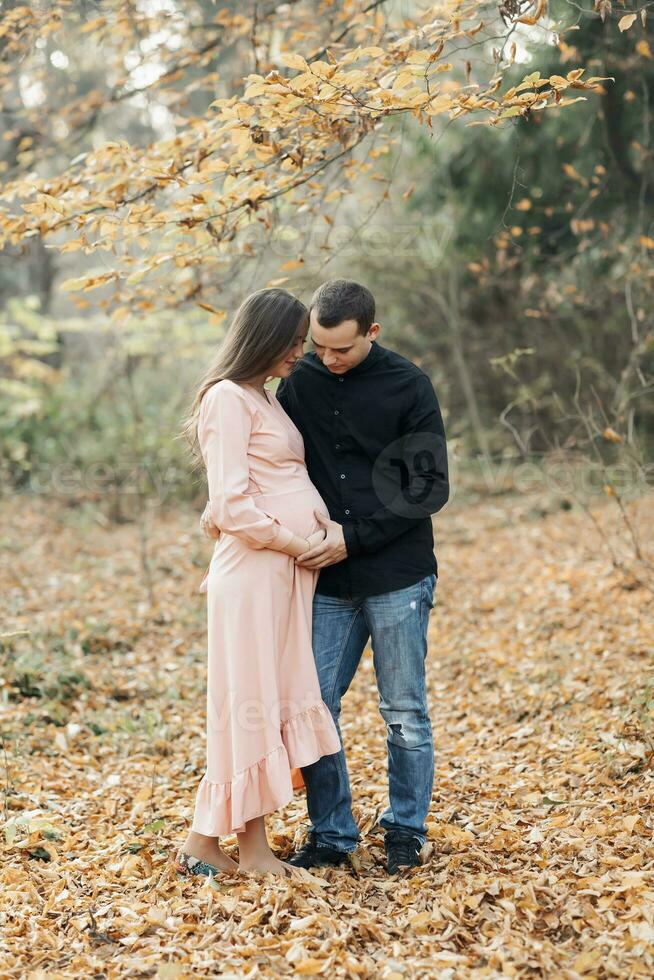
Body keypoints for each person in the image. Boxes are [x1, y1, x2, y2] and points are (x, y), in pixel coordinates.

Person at [203, 278, 450, 875]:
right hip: (321, 583)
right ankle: (333, 834)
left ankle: (404, 831)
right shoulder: (295, 382)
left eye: (343, 348)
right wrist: (229, 514)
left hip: (395, 574)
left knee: (405, 710)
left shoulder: (408, 385)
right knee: (314, 705)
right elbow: (258, 460)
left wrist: (353, 536)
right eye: (318, 347)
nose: (327, 359)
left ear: (373, 331)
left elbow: (428, 489)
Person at [177, 287, 342, 880]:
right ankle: (250, 850)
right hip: (255, 574)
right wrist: (301, 542)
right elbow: (232, 503)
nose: (299, 352)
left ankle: (212, 842)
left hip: (283, 577)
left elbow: (274, 479)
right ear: (266, 339)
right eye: (294, 341)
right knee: (248, 703)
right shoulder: (227, 397)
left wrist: (320, 530)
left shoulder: (262, 397)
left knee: (265, 701)